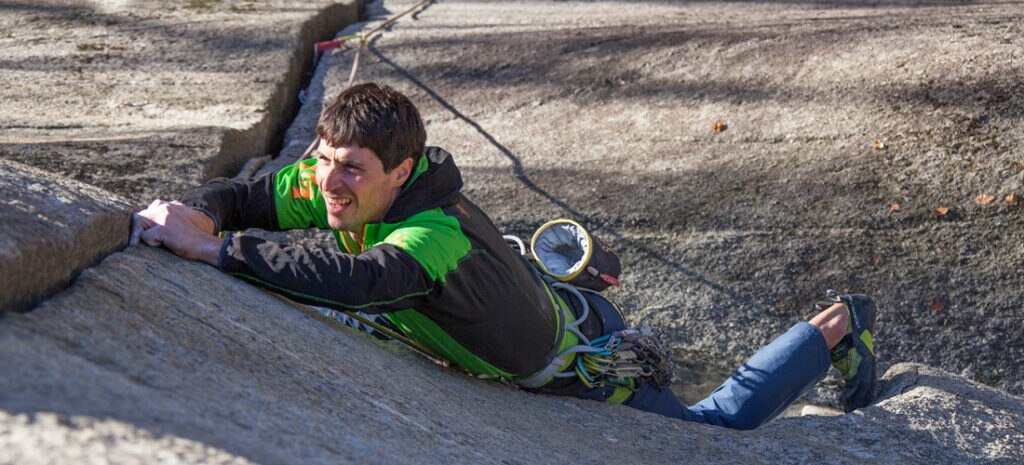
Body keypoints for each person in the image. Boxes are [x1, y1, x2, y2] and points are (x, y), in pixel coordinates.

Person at [131, 82, 877, 430]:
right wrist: (207, 213)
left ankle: (845, 325)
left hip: (582, 369)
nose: (328, 181)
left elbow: (363, 282)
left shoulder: (432, 233)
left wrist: (217, 250)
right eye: (324, 158)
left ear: (401, 170)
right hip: (558, 301)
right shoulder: (342, 181)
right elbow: (253, 191)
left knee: (723, 423)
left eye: (350, 167)